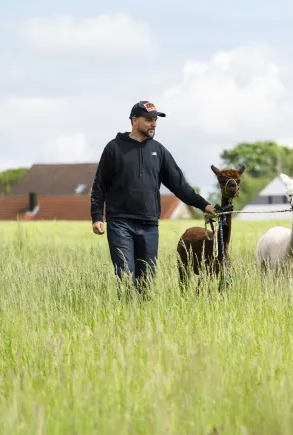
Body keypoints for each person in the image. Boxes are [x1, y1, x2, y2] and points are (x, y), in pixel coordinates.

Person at [90, 100, 216, 298]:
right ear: (134, 120)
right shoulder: (114, 149)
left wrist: (204, 205)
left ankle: (141, 321)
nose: (153, 124)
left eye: (155, 120)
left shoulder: (159, 151)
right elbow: (100, 185)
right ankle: (126, 319)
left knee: (146, 279)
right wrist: (97, 216)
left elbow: (179, 185)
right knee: (125, 275)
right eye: (148, 119)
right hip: (120, 223)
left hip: (149, 225)